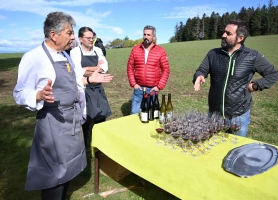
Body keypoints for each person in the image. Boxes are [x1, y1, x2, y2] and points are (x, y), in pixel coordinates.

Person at [13, 12, 113, 200]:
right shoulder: (33, 58)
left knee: (68, 169)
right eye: (69, 33)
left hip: (72, 120)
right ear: (53, 35)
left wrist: (90, 79)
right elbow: (18, 93)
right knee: (54, 174)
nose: (73, 37)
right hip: (53, 124)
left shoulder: (65, 56)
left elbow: (74, 82)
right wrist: (37, 95)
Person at [193, 19, 278, 137]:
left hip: (239, 116)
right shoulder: (213, 54)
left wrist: (255, 85)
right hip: (215, 115)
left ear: (240, 38)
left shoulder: (252, 56)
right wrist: (199, 76)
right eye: (224, 32)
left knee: (236, 150)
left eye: (228, 34)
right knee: (213, 149)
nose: (223, 35)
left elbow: (273, 74)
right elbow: (201, 69)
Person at [71, 27, 111, 147]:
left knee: (101, 117)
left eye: (92, 37)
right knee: (85, 120)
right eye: (88, 38)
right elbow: (77, 72)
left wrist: (86, 69)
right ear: (80, 39)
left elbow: (105, 68)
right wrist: (96, 68)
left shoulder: (98, 50)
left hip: (98, 89)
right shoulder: (75, 52)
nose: (91, 40)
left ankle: (100, 144)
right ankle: (84, 146)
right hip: (84, 89)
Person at [127, 25, 170, 114]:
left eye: (148, 35)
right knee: (134, 114)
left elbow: (166, 70)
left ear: (154, 37)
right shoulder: (135, 50)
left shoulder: (160, 51)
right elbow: (130, 67)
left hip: (153, 90)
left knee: (152, 116)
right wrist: (133, 83)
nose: (146, 37)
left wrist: (159, 86)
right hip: (138, 88)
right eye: (144, 34)